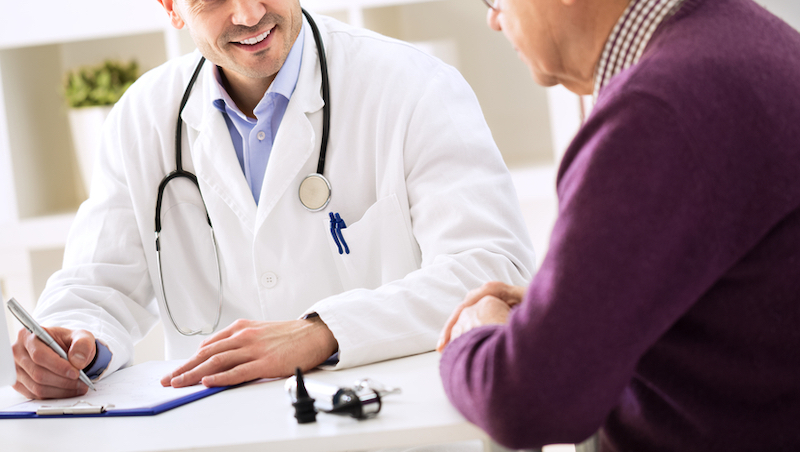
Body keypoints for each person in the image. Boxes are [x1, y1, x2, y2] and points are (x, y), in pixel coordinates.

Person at [11, 0, 536, 400]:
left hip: (396, 425)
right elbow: (98, 285)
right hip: (228, 434)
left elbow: (490, 270)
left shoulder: (413, 87)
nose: (249, 13)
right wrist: (73, 342)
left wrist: (324, 332)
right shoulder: (143, 116)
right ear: (170, 7)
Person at [437, 0, 800, 450]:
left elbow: (528, 401)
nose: (492, 19)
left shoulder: (658, 108)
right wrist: (568, 310)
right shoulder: (740, 36)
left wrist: (478, 335)